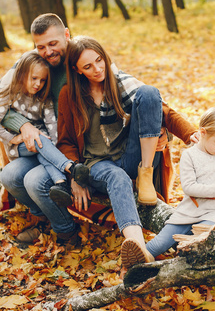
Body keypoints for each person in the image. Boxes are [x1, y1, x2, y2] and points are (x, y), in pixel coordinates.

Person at [0, 14, 197, 245]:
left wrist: (180, 132)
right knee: (12, 176)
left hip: (97, 152)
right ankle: (49, 223)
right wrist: (24, 126)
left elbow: (150, 103)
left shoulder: (100, 69)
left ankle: (71, 225)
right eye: (41, 46)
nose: (47, 51)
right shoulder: (34, 63)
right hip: (53, 148)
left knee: (35, 182)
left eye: (53, 44)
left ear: (66, 35)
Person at [56, 36, 197, 269]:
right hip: (96, 164)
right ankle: (139, 249)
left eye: (99, 60)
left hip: (131, 157)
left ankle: (146, 177)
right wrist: (74, 175)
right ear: (77, 70)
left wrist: (189, 132)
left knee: (149, 92)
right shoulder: (69, 95)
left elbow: (161, 110)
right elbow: (66, 142)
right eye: (88, 66)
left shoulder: (120, 82)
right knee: (116, 177)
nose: (97, 69)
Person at [127, 107, 215, 265]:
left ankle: (177, 266)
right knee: (160, 243)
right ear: (203, 132)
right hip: (188, 212)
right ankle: (134, 263)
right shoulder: (190, 156)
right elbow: (189, 187)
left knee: (200, 241)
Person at [0, 51, 89, 210]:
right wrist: (12, 139)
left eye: (42, 80)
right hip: (20, 146)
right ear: (21, 74)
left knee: (42, 145)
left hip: (42, 145)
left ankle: (60, 184)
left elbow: (52, 126)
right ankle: (70, 167)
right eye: (34, 78)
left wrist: (53, 145)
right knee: (38, 140)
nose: (38, 84)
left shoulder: (43, 98)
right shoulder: (9, 93)